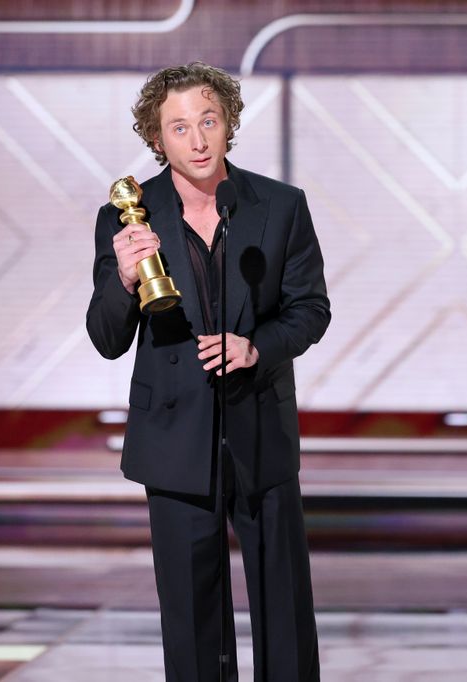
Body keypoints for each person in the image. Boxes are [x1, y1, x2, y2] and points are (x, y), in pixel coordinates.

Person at [86, 62, 330, 682]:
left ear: (228, 124)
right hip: (173, 443)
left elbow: (310, 310)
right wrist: (121, 277)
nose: (197, 139)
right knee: (193, 625)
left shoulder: (280, 205)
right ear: (157, 138)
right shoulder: (127, 217)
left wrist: (256, 346)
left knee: (285, 611)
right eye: (178, 127)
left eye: (208, 120)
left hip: (261, 434)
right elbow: (107, 339)